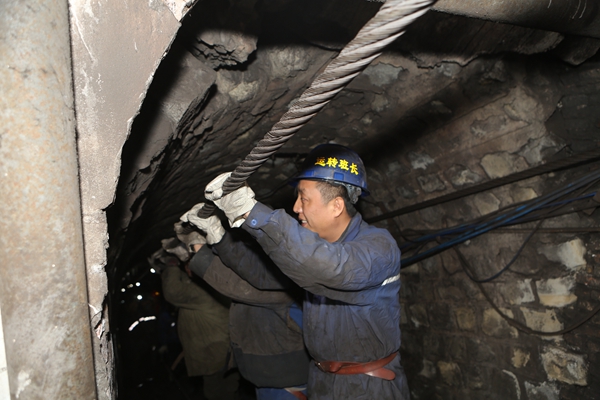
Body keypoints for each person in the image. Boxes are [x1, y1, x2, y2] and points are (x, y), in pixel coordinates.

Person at [195, 143, 409, 399]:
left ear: (336, 206)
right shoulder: (311, 252)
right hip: (321, 380)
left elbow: (332, 267)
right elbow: (263, 272)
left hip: (367, 388)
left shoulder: (379, 247)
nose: (296, 207)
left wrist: (250, 212)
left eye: (304, 199)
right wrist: (218, 238)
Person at [174, 217, 310, 400]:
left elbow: (237, 285)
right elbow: (241, 269)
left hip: (288, 383)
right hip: (271, 377)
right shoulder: (268, 273)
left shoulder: (286, 284)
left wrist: (197, 245)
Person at [158, 239, 239, 400]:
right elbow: (187, 284)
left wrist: (172, 266)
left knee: (216, 394)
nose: (188, 269)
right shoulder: (218, 284)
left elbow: (173, 292)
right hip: (225, 354)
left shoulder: (202, 292)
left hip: (214, 357)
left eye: (191, 265)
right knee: (229, 391)